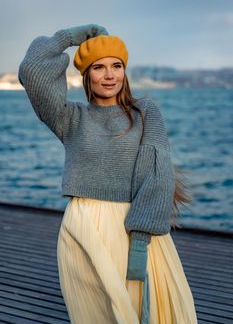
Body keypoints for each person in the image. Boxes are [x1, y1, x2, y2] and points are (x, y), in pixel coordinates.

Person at [18, 24, 197, 324]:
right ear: (87, 75)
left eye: (117, 66)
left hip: (135, 230)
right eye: (98, 67)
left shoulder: (144, 112)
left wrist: (139, 241)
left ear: (125, 71)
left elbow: (157, 172)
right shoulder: (69, 117)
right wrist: (69, 38)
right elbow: (32, 69)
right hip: (83, 227)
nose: (110, 75)